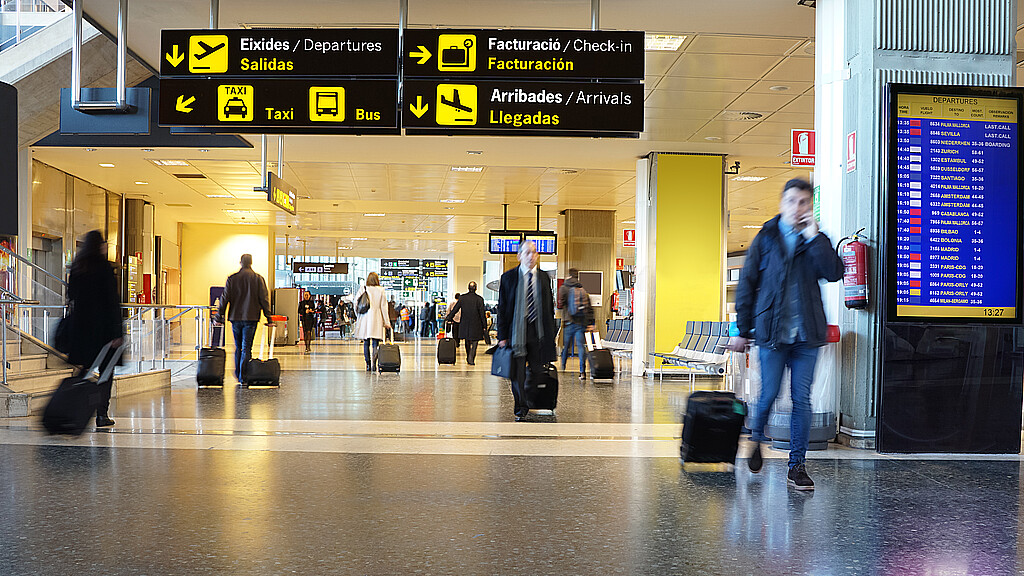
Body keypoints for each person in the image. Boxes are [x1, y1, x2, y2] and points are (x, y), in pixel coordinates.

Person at [729, 178, 844, 491]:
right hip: (772, 334)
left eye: (804, 202)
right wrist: (743, 330)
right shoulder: (765, 238)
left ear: (810, 206)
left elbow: (834, 272)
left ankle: (797, 465)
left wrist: (815, 236)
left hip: (807, 336)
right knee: (768, 395)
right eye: (792, 201)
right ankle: (755, 440)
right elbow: (747, 285)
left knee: (801, 400)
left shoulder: (814, 239)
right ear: (782, 204)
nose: (798, 208)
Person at [65, 230, 124, 428]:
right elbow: (112, 302)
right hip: (104, 331)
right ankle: (101, 414)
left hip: (82, 331)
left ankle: (73, 409)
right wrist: (117, 333)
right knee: (106, 374)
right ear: (99, 245)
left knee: (84, 370)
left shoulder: (77, 268)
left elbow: (71, 296)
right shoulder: (104, 268)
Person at [497, 241, 556, 421]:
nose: (532, 256)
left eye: (534, 253)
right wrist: (502, 336)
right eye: (528, 253)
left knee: (538, 370)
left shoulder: (544, 278)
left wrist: (551, 333)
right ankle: (521, 406)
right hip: (517, 333)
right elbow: (502, 308)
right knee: (518, 374)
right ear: (519, 256)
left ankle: (532, 399)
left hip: (538, 334)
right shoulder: (508, 278)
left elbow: (548, 308)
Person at [215, 253, 272, 385]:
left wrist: (219, 316)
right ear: (251, 263)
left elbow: (225, 298)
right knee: (247, 348)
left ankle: (238, 373)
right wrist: (269, 317)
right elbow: (264, 299)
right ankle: (244, 376)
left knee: (238, 346)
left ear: (240, 262)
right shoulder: (258, 279)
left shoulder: (232, 279)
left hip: (235, 317)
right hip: (251, 318)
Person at [557, 268, 596, 381]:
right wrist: (591, 323)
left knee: (566, 346)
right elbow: (589, 307)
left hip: (569, 322)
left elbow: (560, 304)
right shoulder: (582, 289)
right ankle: (582, 371)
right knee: (580, 347)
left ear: (569, 275)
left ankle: (563, 368)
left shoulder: (564, 288)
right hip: (581, 323)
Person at [353, 272, 390, 372]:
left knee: (366, 342)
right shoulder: (381, 290)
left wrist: (358, 315)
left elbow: (356, 302)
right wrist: (386, 321)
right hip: (377, 317)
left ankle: (368, 364)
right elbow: (384, 306)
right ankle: (374, 362)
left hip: (365, 318)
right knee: (375, 342)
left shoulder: (363, 288)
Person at [445, 283, 487, 365]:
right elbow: (482, 313)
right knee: (475, 342)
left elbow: (455, 309)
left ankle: (468, 356)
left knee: (467, 341)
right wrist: (484, 325)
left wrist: (449, 317)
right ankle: (471, 358)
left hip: (465, 323)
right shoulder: (479, 299)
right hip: (476, 324)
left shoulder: (463, 298)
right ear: (476, 288)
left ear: (468, 288)